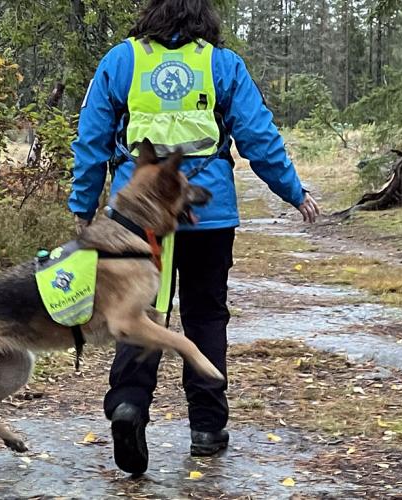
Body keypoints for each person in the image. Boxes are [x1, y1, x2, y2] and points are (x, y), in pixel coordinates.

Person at [68, 0, 320, 476]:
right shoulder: (220, 64)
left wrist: (83, 207)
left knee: (139, 311)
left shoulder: (123, 60)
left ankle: (128, 404)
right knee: (205, 315)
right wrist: (293, 191)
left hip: (136, 215)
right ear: (204, 15)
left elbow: (92, 137)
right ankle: (206, 428)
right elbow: (258, 135)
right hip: (206, 210)